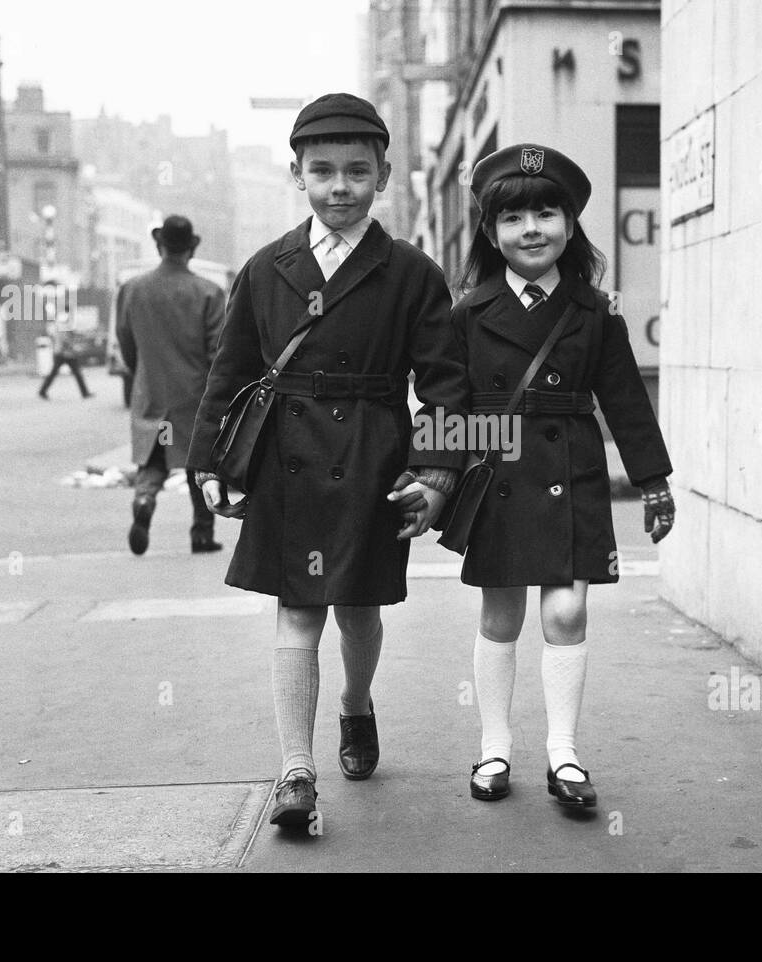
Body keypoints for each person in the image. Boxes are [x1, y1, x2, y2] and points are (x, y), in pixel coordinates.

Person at [186, 93, 469, 829]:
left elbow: (445, 383)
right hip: (289, 456)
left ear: (383, 176)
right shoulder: (265, 266)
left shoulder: (411, 273)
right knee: (298, 609)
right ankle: (294, 771)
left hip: (374, 461)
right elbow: (232, 368)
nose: (338, 186)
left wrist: (436, 475)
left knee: (359, 610)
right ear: (297, 174)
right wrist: (211, 460)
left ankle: (354, 705)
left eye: (355, 171)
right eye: (322, 171)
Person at [451, 144, 676, 809]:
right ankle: (494, 747)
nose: (532, 229)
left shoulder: (594, 310)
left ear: (571, 224)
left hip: (571, 469)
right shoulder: (468, 312)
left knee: (569, 608)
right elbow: (448, 404)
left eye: (547, 213)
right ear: (491, 233)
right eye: (514, 217)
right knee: (500, 610)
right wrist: (433, 476)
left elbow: (626, 398)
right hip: (498, 475)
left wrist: (654, 480)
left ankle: (564, 753)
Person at [117, 215, 227, 555]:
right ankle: (202, 534)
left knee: (153, 461)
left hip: (151, 393)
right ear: (191, 248)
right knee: (199, 464)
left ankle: (145, 498)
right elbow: (218, 350)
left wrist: (143, 375)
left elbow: (126, 342)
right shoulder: (209, 292)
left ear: (158, 245)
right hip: (193, 397)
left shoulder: (132, 289)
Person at [37, 322, 93, 400]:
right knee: (57, 373)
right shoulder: (64, 325)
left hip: (66, 353)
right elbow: (65, 340)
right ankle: (42, 391)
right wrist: (74, 347)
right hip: (63, 354)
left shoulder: (66, 325)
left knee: (76, 374)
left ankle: (85, 392)